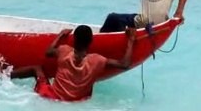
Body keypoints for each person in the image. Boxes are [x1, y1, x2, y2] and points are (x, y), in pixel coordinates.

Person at [8, 25, 136, 102]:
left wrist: (60, 35)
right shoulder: (97, 60)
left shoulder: (64, 50)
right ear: (91, 41)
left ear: (74, 40)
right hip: (78, 100)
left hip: (53, 96)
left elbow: (48, 52)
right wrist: (130, 40)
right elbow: (124, 64)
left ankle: (5, 75)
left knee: (36, 69)